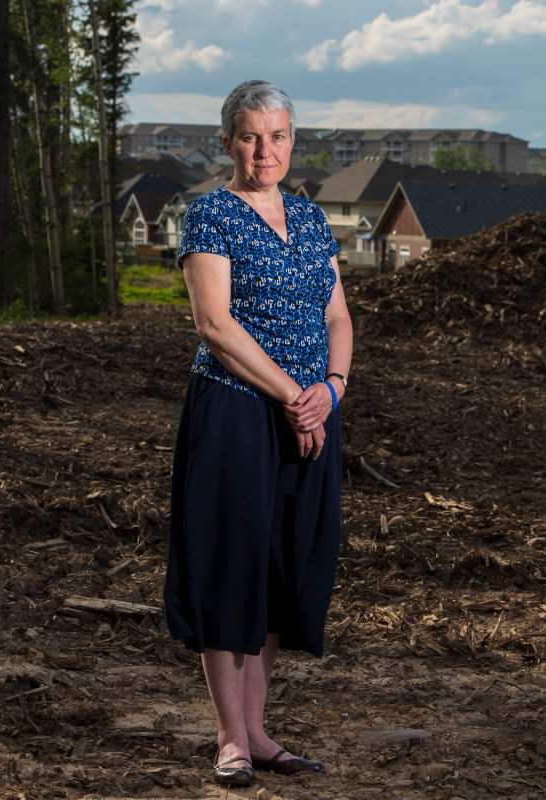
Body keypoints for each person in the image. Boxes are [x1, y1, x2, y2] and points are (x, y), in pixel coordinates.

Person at [162, 79, 353, 788]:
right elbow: (214, 326)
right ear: (228, 141)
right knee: (229, 565)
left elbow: (337, 317)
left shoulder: (308, 220)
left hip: (309, 415)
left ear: (292, 142)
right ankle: (231, 739)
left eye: (276, 135)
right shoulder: (208, 215)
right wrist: (290, 398)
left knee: (280, 570)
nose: (264, 149)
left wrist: (329, 392)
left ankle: (262, 730)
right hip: (236, 413)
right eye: (250, 135)